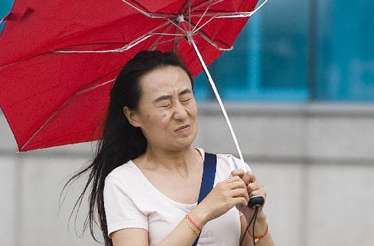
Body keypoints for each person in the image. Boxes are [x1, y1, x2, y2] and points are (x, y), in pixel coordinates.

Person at [64, 50, 275, 246]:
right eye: (165, 104)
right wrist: (203, 212)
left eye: (186, 98)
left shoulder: (231, 168)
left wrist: (255, 217)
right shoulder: (124, 182)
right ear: (133, 116)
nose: (181, 113)